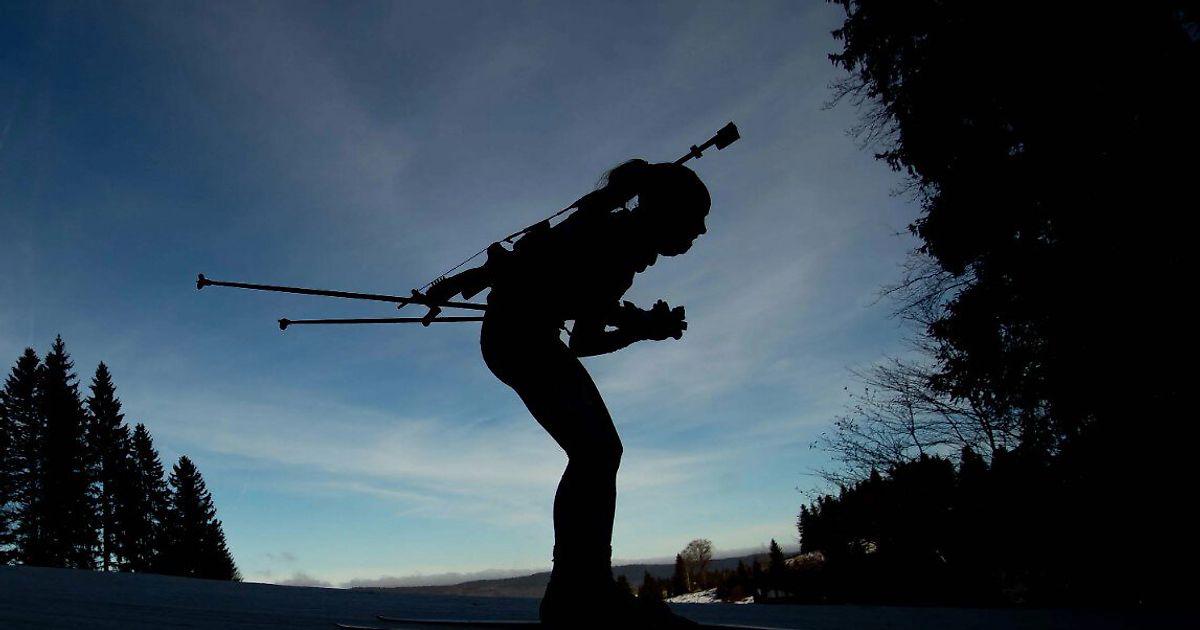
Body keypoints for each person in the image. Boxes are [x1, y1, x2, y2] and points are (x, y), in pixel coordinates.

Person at [423, 159, 710, 627]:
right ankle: (579, 591)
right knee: (597, 451)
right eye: (696, 219)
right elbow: (586, 340)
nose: (701, 230)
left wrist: (640, 323)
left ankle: (578, 589)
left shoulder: (611, 234)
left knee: (598, 451)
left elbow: (580, 295)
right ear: (668, 215)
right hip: (521, 340)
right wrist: (641, 330)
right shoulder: (616, 248)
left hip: (518, 336)